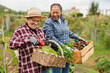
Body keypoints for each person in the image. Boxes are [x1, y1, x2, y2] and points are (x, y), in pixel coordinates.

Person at [43, 3, 85, 73]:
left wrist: (78, 37)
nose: (55, 14)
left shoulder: (64, 21)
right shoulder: (48, 23)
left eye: (57, 12)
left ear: (61, 12)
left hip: (67, 51)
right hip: (57, 52)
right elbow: (51, 37)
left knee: (66, 71)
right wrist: (63, 47)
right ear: (50, 12)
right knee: (56, 71)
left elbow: (68, 33)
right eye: (53, 12)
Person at [9, 7, 49, 73]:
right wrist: (28, 39)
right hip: (29, 68)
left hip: (43, 68)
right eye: (33, 20)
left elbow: (44, 43)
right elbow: (11, 44)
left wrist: (47, 43)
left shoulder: (40, 30)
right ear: (27, 19)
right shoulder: (20, 30)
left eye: (38, 21)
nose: (36, 23)